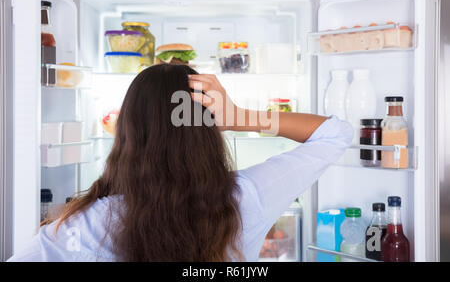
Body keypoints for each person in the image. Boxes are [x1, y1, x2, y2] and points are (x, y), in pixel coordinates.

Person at [8, 64, 352, 262]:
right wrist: (241, 117)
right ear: (206, 130)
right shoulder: (248, 197)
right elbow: (336, 134)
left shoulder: (91, 223)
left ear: (128, 131)